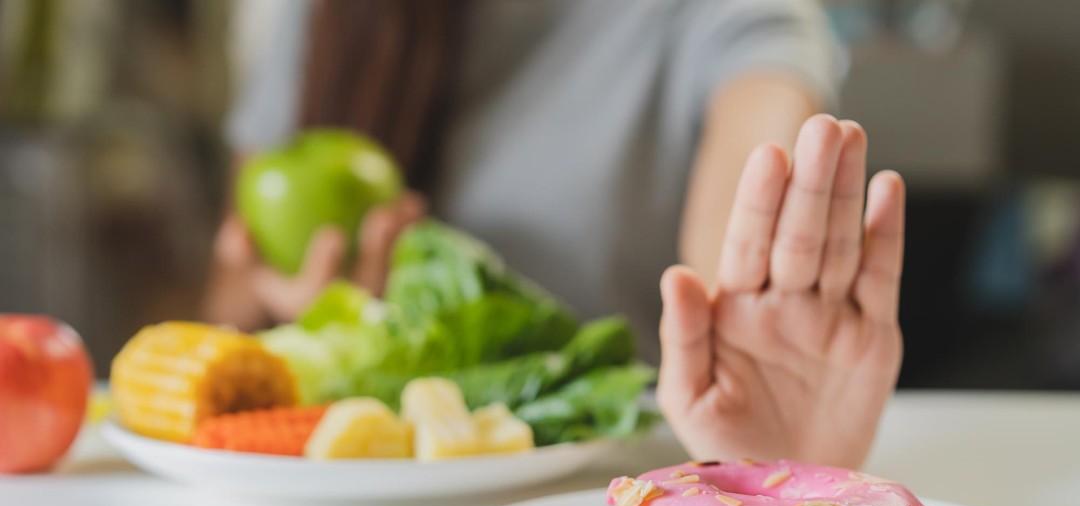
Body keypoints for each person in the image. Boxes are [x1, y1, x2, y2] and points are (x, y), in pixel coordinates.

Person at [206, 0, 902, 468]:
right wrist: (298, 307)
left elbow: (750, 169)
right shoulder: (326, 16)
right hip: (340, 489)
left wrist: (762, 317)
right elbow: (226, 302)